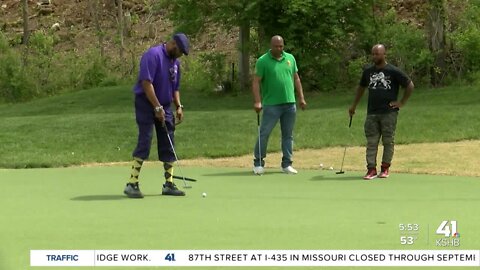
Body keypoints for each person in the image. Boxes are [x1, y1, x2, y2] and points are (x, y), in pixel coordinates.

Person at [123, 33, 189, 198]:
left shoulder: (175, 63)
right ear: (173, 44)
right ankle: (132, 183)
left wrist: (178, 106)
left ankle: (169, 184)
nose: (180, 55)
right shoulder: (153, 55)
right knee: (145, 139)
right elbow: (146, 83)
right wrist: (156, 106)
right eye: (180, 51)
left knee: (168, 141)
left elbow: (175, 87)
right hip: (146, 103)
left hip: (165, 106)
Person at [349, 44, 414, 180]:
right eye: (373, 54)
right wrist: (353, 105)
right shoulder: (368, 72)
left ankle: (385, 168)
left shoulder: (393, 71)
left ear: (384, 54)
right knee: (371, 141)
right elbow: (361, 88)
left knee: (388, 141)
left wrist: (401, 102)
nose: (374, 56)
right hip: (372, 112)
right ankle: (371, 169)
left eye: (377, 54)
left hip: (388, 112)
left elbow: (409, 85)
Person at [252, 35, 307, 175]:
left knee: (288, 135)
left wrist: (301, 98)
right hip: (271, 104)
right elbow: (256, 82)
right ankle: (258, 162)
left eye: (281, 46)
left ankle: (286, 164)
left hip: (289, 103)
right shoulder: (263, 61)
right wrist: (258, 101)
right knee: (264, 133)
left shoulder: (290, 58)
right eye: (276, 46)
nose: (279, 48)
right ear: (271, 46)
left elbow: (296, 78)